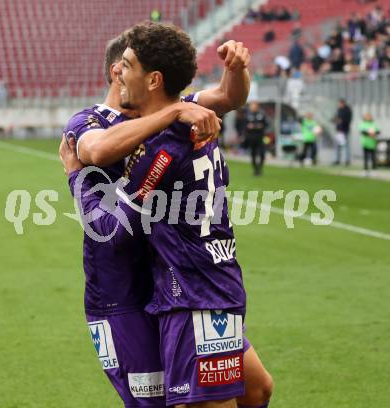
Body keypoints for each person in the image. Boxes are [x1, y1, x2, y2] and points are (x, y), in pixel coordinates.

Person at [61, 27, 273, 408]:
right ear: (115, 71)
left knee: (254, 389)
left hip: (180, 286)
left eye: (130, 64)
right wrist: (175, 111)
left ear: (151, 78)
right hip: (126, 293)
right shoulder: (91, 121)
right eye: (122, 64)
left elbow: (229, 95)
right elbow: (97, 151)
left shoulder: (176, 120)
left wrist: (237, 68)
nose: (123, 71)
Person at [241, 101, 269, 176]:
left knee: (262, 153)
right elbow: (244, 125)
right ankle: (256, 169)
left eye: (254, 105)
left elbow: (266, 124)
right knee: (253, 154)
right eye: (252, 106)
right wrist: (248, 128)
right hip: (251, 137)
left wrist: (261, 126)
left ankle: (260, 168)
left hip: (260, 137)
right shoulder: (247, 115)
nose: (253, 107)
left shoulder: (262, 114)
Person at [333, 99, 352, 166]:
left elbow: (347, 120)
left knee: (346, 146)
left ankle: (347, 160)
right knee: (337, 146)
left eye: (340, 104)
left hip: (344, 131)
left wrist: (341, 121)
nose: (339, 105)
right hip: (338, 131)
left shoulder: (347, 110)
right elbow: (334, 118)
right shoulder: (338, 110)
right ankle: (337, 160)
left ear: (343, 103)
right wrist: (335, 120)